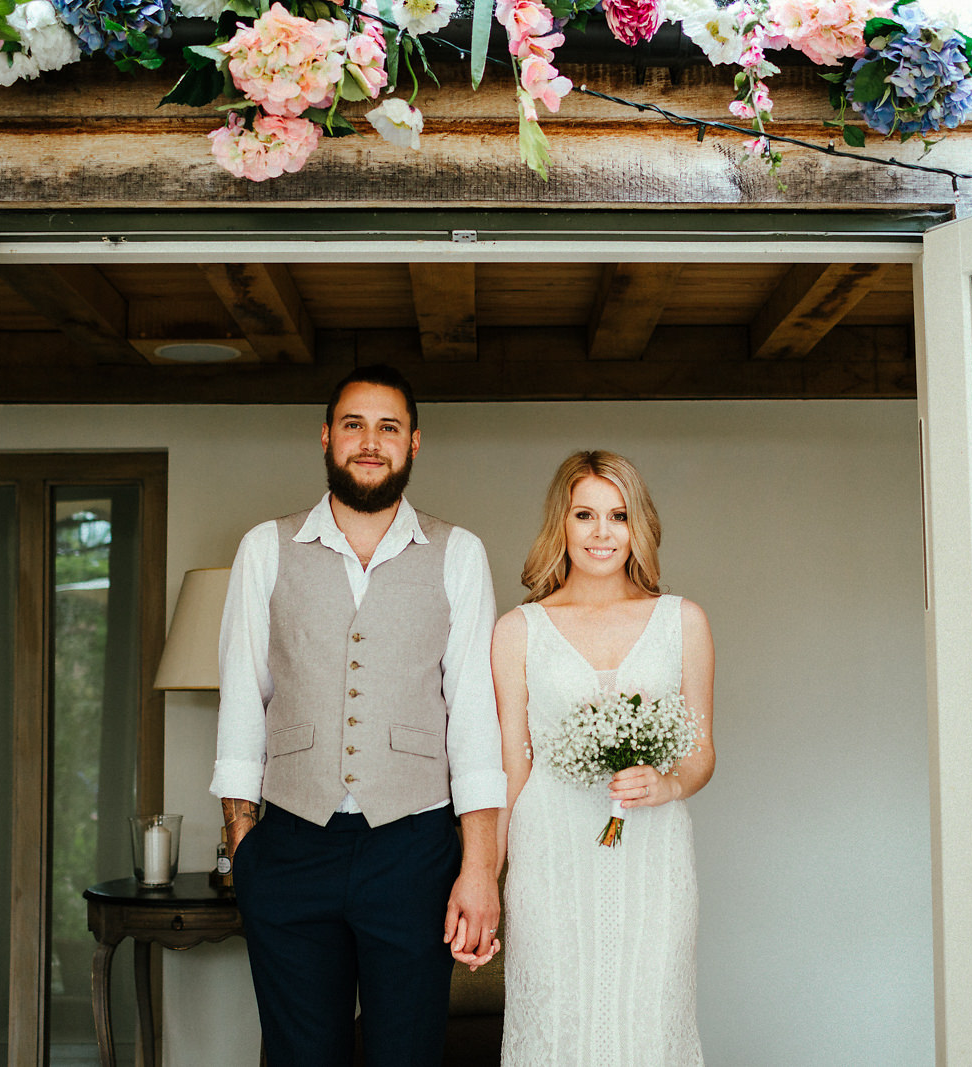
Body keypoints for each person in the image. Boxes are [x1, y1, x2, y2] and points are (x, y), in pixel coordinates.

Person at [212, 365, 506, 1067]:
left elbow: (473, 719)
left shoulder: (459, 554)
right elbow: (241, 696)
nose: (370, 442)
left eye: (388, 427)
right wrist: (242, 836)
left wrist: (479, 868)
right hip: (288, 843)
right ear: (325, 437)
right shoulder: (265, 547)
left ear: (414, 443)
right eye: (354, 424)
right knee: (297, 1055)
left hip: (414, 847)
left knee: (406, 1053)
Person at [492, 449, 716, 1067]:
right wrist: (485, 873)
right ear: (560, 525)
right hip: (552, 856)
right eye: (584, 514)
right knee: (557, 1022)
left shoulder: (683, 621)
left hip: (653, 855)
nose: (601, 532)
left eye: (617, 516)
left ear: (637, 526)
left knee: (650, 1019)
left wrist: (666, 786)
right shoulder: (519, 629)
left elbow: (701, 752)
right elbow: (514, 763)